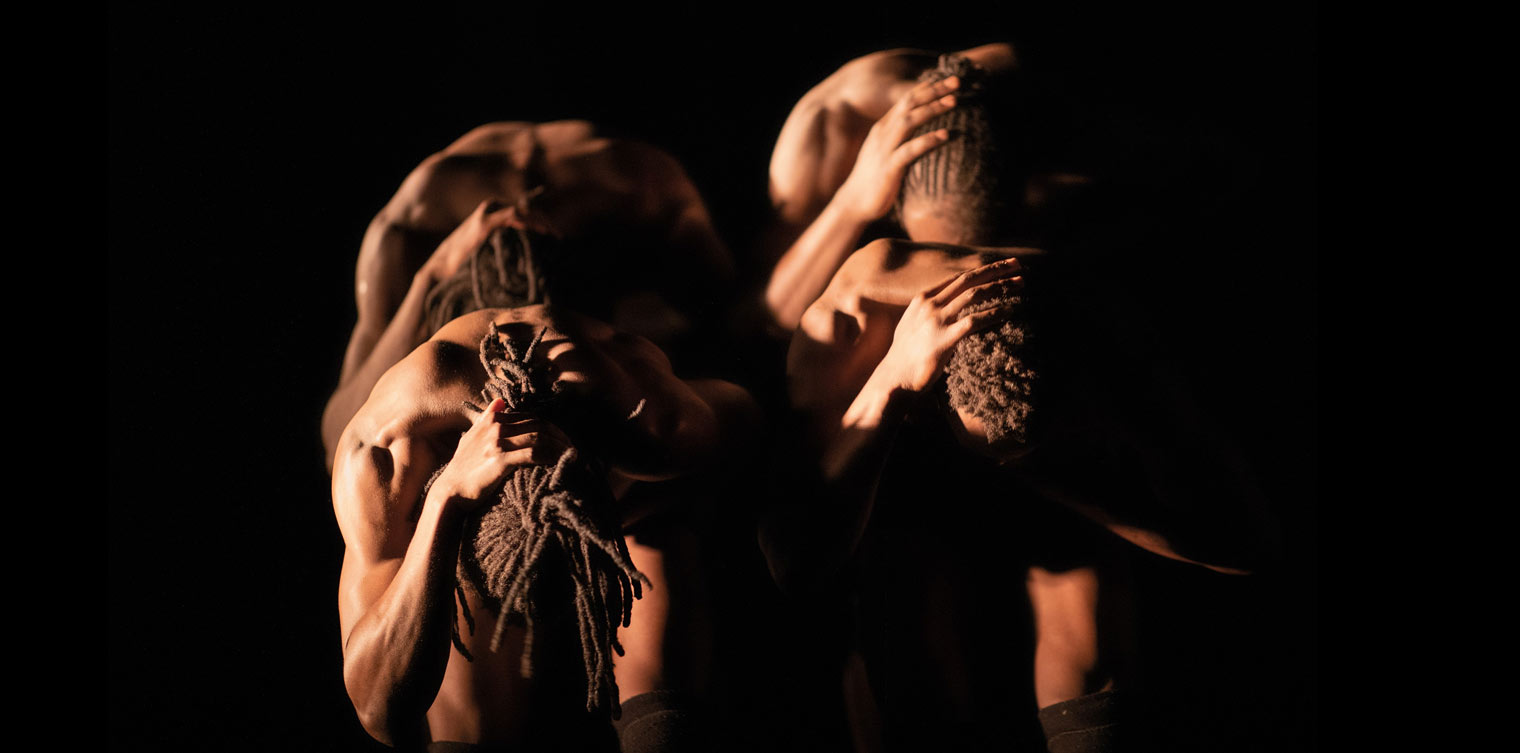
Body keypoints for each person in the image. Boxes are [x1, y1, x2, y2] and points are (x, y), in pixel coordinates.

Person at [761, 50, 1271, 753]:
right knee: (898, 589)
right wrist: (887, 387)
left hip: (1075, 321)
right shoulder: (856, 306)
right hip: (903, 451)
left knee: (1083, 579)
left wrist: (1056, 478)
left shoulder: (1102, 314)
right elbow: (797, 564)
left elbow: (1244, 541)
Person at [332, 226, 755, 752]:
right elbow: (380, 713)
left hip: (608, 427)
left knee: (669, 537)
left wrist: (638, 504)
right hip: (456, 412)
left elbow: (749, 417)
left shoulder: (652, 421)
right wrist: (444, 503)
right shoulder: (388, 448)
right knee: (450, 694)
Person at [323, 121, 735, 467]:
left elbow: (738, 324)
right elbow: (339, 439)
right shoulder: (408, 230)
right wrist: (430, 274)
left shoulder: (648, 193)